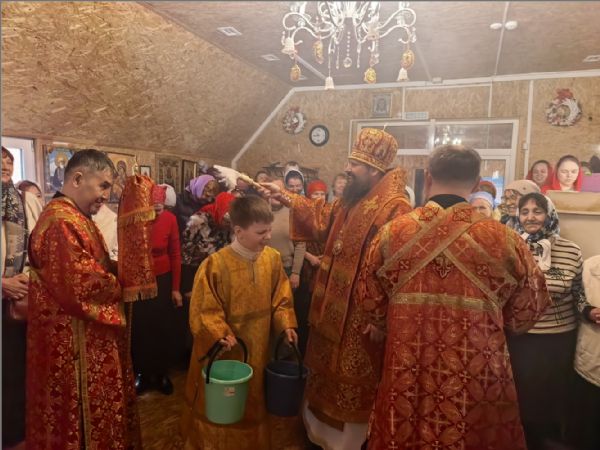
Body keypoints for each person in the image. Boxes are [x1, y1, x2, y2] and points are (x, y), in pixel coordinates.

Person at [359, 144, 550, 450]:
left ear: (428, 178)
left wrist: (400, 323)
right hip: (478, 374)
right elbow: (529, 309)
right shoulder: (505, 240)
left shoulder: (391, 234)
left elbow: (369, 300)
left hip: (407, 369)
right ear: (476, 185)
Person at [260, 128, 412, 450]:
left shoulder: (395, 207)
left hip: (359, 316)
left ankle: (346, 443)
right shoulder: (352, 199)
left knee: (350, 379)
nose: (347, 169)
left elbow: (398, 267)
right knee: (323, 369)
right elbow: (321, 217)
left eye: (354, 164)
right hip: (330, 305)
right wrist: (283, 195)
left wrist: (382, 317)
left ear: (374, 169)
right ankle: (316, 433)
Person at [26, 149, 141, 449]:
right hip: (71, 342)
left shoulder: (78, 217)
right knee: (75, 420)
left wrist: (117, 268)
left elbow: (95, 265)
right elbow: (80, 284)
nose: (106, 195)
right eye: (103, 185)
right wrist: (123, 282)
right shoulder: (60, 221)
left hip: (84, 335)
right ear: (77, 178)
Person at [180, 196, 298, 450]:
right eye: (261, 232)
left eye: (269, 230)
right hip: (226, 351)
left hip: (259, 348)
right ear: (238, 231)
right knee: (224, 406)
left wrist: (286, 324)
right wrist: (218, 332)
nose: (268, 237)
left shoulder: (272, 259)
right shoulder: (215, 264)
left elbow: (281, 298)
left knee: (253, 401)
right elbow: (204, 310)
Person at [508, 192, 586, 450]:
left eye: (537, 211)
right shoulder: (510, 248)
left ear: (549, 215)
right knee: (522, 397)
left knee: (552, 398)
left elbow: (579, 294)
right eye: (525, 212)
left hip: (558, 339)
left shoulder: (570, 250)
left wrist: (589, 311)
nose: (530, 217)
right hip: (521, 338)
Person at [2, 147, 43, 450]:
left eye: (9, 161)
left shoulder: (23, 201)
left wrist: (26, 278)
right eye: (0, 161)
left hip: (19, 295)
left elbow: (37, 247)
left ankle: (17, 432)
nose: (5, 165)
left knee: (17, 368)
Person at [132, 184, 182, 395]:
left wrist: (175, 288)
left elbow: (175, 254)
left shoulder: (170, 219)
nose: (157, 212)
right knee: (142, 327)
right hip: (141, 280)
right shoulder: (136, 218)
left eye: (160, 208)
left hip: (163, 279)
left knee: (161, 327)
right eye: (153, 207)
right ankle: (143, 374)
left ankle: (161, 374)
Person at [569, 255, 600, 450]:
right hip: (591, 359)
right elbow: (575, 298)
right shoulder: (589, 266)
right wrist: (589, 311)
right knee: (588, 428)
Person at [269, 180, 306, 289]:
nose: (276, 194)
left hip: (287, 268)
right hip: (263, 266)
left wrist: (296, 272)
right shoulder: (260, 211)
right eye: (272, 190)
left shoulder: (293, 212)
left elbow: (300, 244)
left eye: (279, 191)